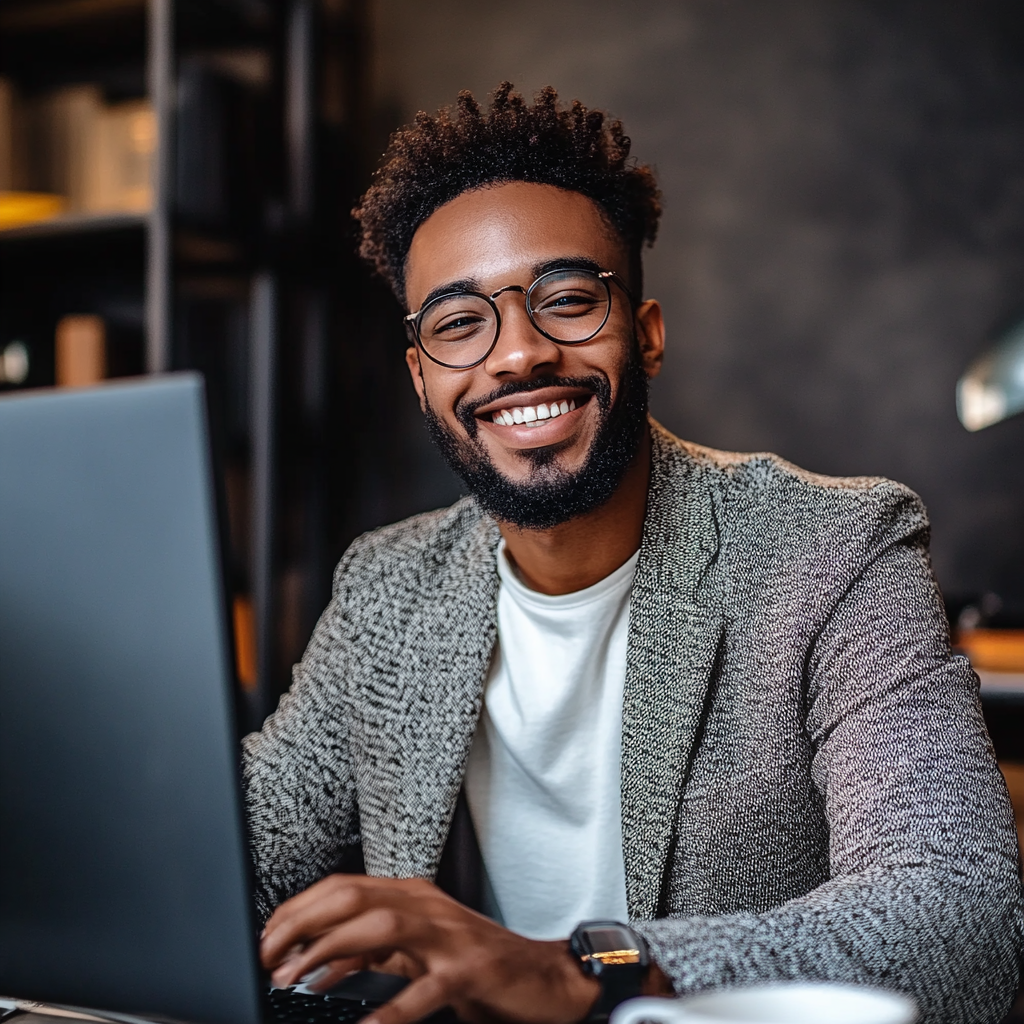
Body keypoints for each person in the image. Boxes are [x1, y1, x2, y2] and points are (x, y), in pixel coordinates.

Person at [244, 84, 1022, 1024]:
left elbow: (961, 915)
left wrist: (581, 969)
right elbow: (246, 848)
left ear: (645, 337)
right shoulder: (386, 586)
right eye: (458, 324)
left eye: (566, 300)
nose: (516, 355)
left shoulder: (837, 552)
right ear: (422, 378)